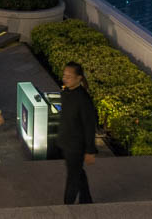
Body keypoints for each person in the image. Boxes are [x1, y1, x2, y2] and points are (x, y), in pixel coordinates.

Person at [58, 61, 98, 205]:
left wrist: (90, 151)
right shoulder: (66, 92)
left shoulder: (83, 99)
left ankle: (67, 207)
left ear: (79, 78)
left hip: (76, 145)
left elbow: (89, 126)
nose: (65, 78)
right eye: (64, 75)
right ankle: (86, 200)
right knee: (76, 172)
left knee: (73, 177)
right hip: (66, 142)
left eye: (69, 76)